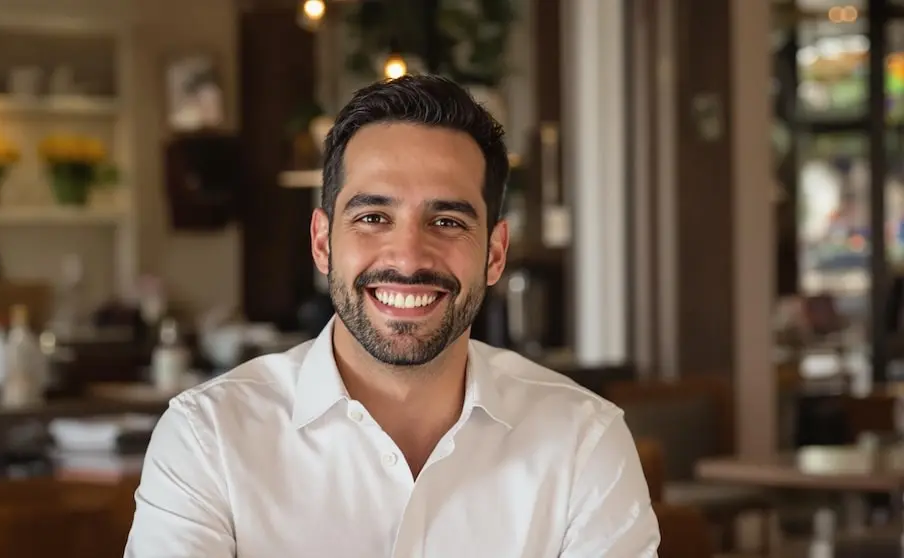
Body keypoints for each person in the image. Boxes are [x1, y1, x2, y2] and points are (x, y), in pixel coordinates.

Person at [125, 75, 659, 557]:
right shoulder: (208, 438)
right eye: (373, 217)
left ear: (495, 253)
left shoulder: (584, 442)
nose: (407, 257)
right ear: (321, 242)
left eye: (447, 221)